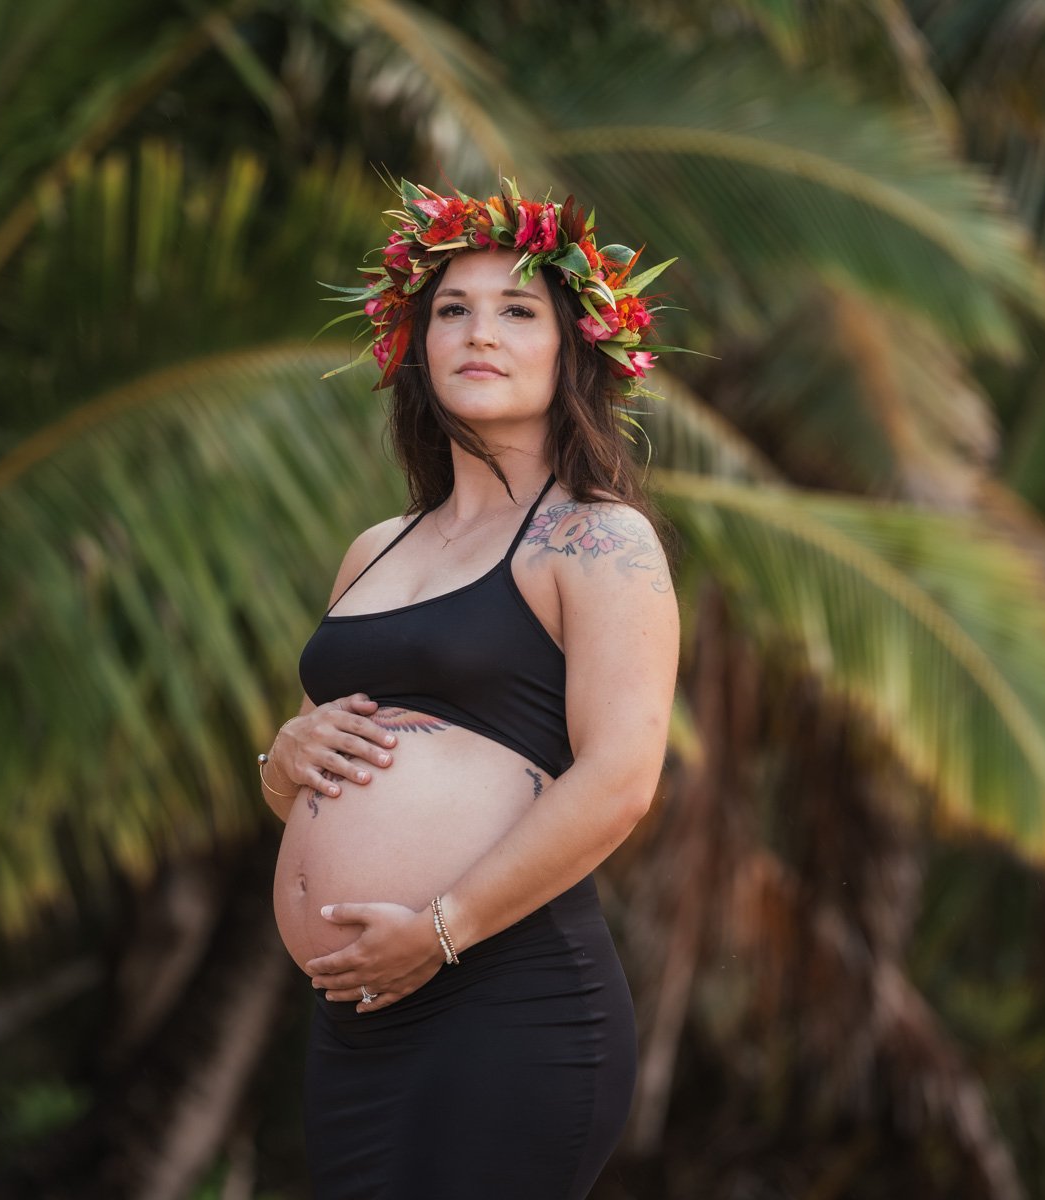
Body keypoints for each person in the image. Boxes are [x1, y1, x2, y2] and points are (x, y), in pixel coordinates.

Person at [257, 178, 681, 1199]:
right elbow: (311, 772)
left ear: (574, 348)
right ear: (418, 344)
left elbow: (622, 780)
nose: (479, 332)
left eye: (517, 311)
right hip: (359, 1015)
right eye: (452, 309)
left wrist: (439, 929)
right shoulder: (375, 548)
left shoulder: (596, 538)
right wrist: (283, 759)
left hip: (507, 999)